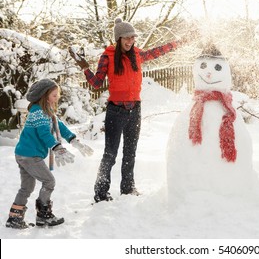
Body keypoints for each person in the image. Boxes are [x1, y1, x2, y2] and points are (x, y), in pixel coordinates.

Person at [69, 17, 187, 203]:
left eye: (132, 37)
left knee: (130, 152)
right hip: (116, 111)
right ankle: (101, 193)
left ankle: (127, 187)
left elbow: (156, 52)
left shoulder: (137, 55)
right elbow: (96, 83)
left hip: (135, 110)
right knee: (110, 153)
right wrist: (84, 67)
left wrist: (179, 42)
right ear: (118, 39)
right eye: (126, 38)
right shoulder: (107, 57)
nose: (130, 41)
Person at [5, 78, 93, 229]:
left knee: (27, 187)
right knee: (49, 181)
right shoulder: (38, 112)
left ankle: (14, 218)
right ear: (44, 95)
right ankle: (43, 215)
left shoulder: (46, 111)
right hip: (30, 156)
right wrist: (57, 147)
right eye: (54, 95)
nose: (57, 98)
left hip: (25, 154)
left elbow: (60, 127)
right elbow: (44, 134)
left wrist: (74, 141)